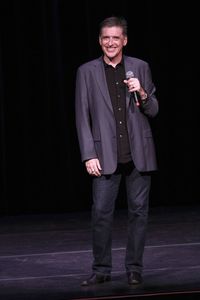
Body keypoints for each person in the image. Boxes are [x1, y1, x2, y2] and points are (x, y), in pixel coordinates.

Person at [75, 16, 158, 286]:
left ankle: (134, 268)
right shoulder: (86, 71)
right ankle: (101, 270)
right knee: (100, 213)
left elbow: (153, 109)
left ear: (124, 40)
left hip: (138, 154)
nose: (111, 42)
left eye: (116, 38)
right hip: (104, 155)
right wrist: (88, 154)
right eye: (106, 38)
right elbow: (82, 116)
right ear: (100, 41)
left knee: (138, 214)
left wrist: (142, 92)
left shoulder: (139, 68)